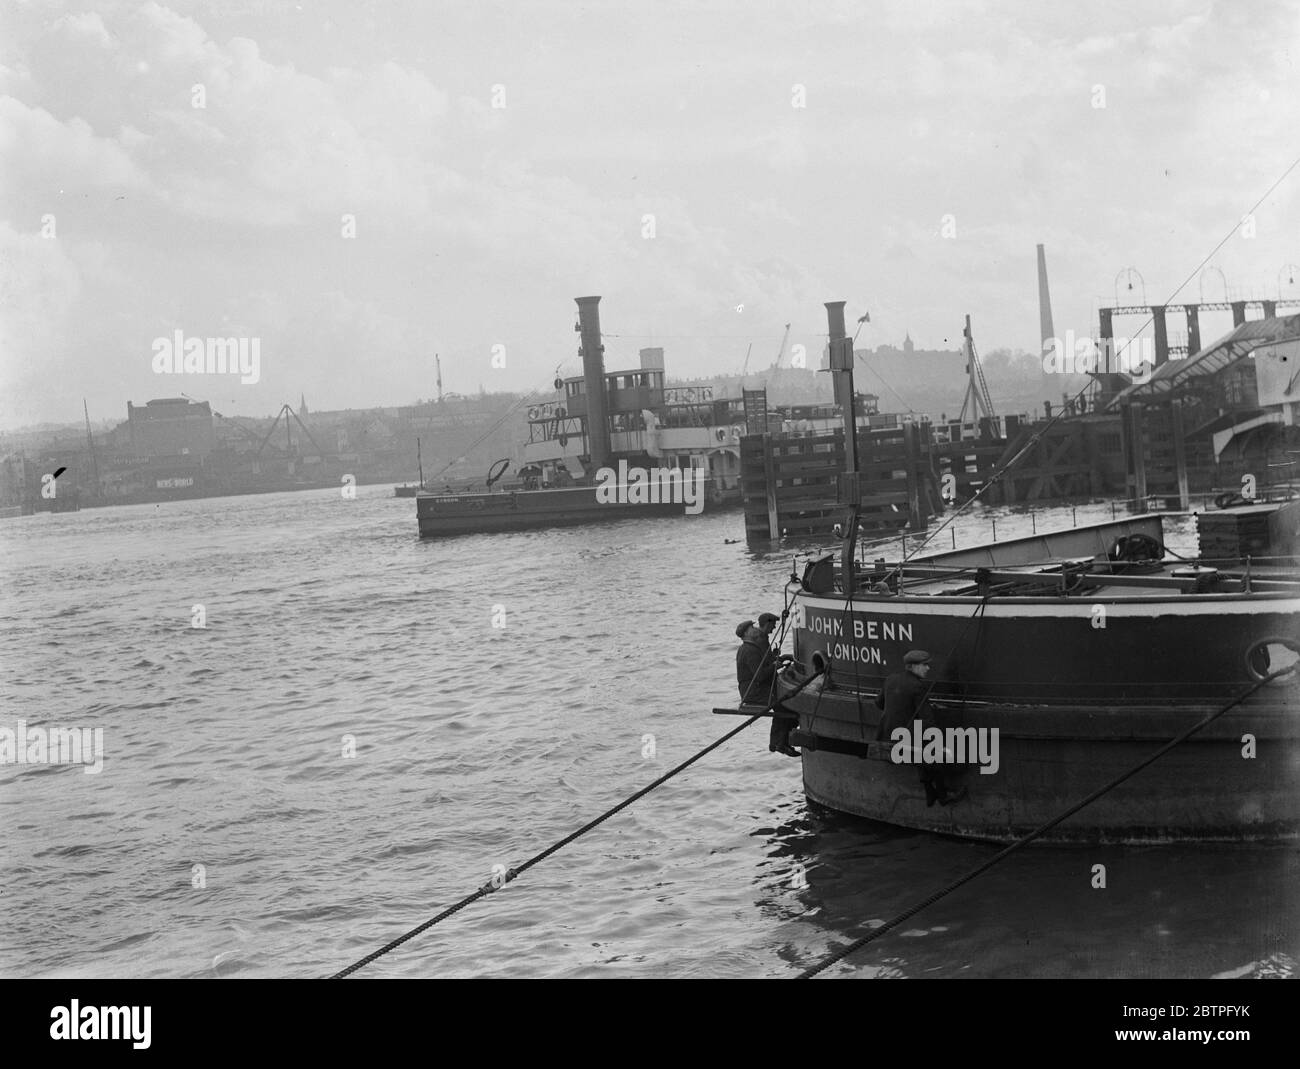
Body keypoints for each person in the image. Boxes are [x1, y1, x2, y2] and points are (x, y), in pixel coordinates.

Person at [875, 650, 964, 806]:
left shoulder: (890, 679)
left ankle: (930, 792)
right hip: (905, 739)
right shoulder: (918, 686)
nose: (928, 669)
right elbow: (927, 719)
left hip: (886, 734)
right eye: (924, 665)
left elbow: (878, 703)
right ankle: (943, 796)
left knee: (920, 749)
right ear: (912, 667)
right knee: (934, 754)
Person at [736, 613, 798, 757]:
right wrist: (775, 666)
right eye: (751, 628)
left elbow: (763, 667)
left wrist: (778, 660)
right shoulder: (749, 650)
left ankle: (778, 742)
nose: (754, 628)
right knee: (785, 705)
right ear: (746, 633)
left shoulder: (750, 648)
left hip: (755, 689)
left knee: (784, 703)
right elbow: (760, 675)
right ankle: (781, 743)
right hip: (754, 692)